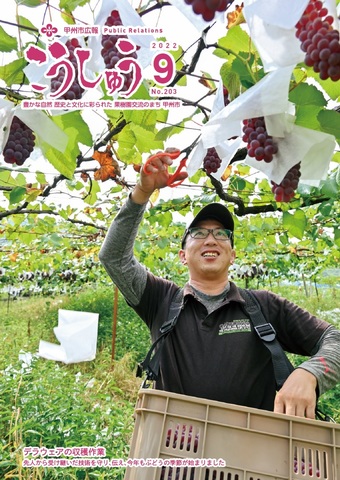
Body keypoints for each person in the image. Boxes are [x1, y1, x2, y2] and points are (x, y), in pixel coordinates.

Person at [99, 151, 340, 419]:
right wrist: (141, 192)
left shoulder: (265, 306)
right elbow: (114, 258)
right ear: (182, 256)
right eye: (199, 233)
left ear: (232, 255)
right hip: (174, 451)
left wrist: (311, 373)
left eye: (221, 234)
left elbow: (335, 341)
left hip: (252, 453)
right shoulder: (160, 299)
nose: (211, 240)